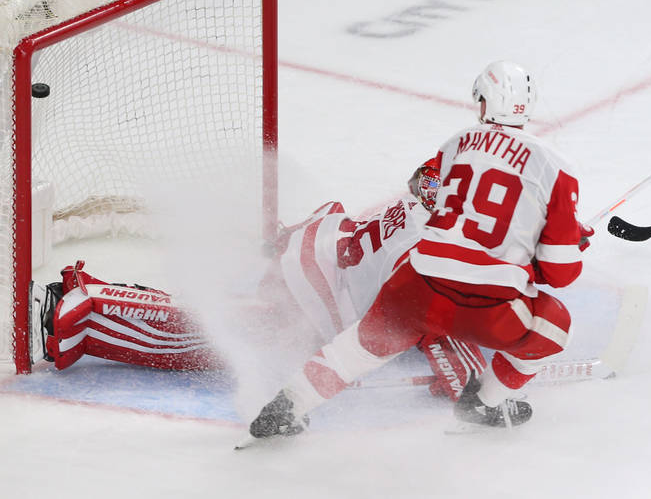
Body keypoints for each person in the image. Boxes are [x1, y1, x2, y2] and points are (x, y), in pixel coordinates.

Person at [247, 60, 592, 438]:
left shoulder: (456, 144)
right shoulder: (556, 167)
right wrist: (559, 238)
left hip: (415, 281)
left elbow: (425, 184)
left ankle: (286, 405)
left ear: (482, 103)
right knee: (554, 328)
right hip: (483, 302)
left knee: (357, 351)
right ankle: (484, 404)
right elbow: (560, 273)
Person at [30, 160, 486, 402]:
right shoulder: (445, 257)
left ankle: (98, 298)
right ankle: (85, 312)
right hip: (313, 292)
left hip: (318, 240)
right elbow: (444, 346)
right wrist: (477, 389)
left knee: (228, 314)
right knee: (206, 337)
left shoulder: (436, 185)